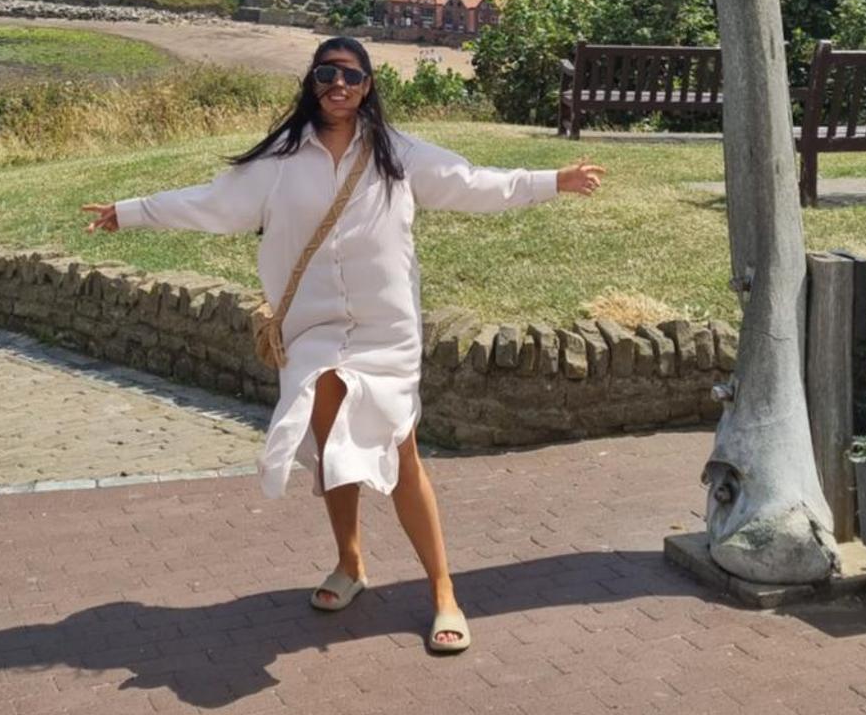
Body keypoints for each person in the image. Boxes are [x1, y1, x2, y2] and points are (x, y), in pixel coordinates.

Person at [83, 35, 603, 654]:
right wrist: (134, 210)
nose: (338, 84)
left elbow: (473, 183)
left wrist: (553, 180)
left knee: (401, 450)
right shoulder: (277, 161)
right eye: (326, 73)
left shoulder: (397, 155)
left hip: (386, 331)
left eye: (351, 76)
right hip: (312, 330)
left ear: (367, 86)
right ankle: (350, 563)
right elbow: (212, 204)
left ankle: (443, 592)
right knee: (331, 444)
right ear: (311, 81)